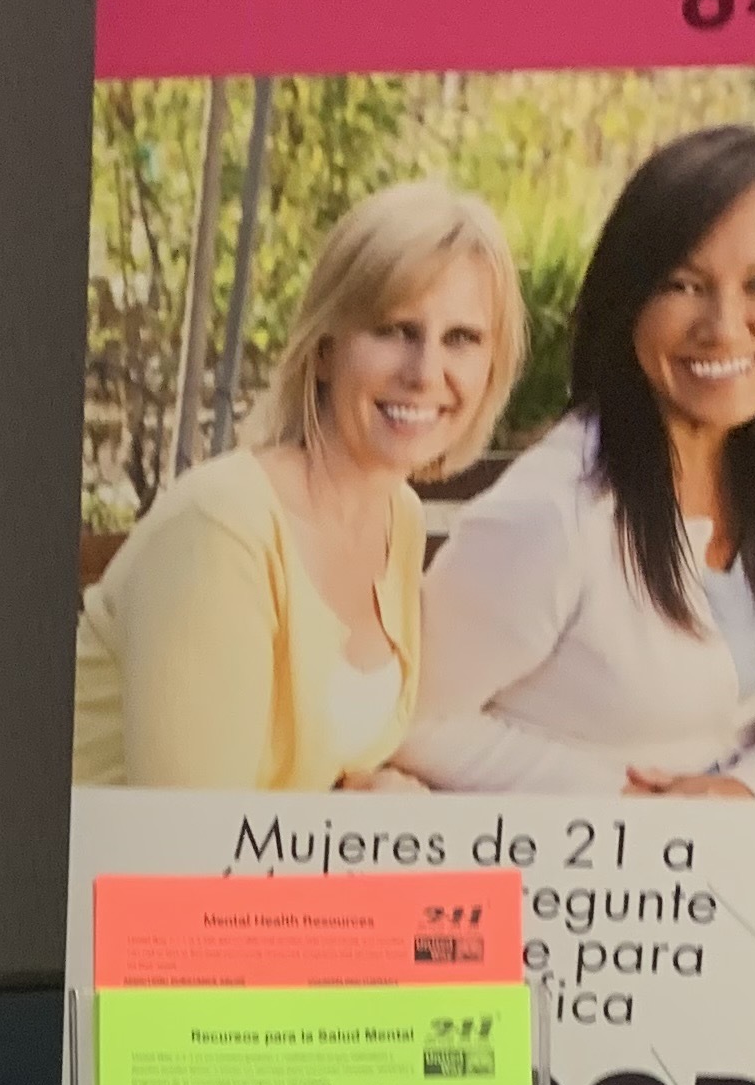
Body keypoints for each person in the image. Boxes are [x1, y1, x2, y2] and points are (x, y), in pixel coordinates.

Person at [359, 126, 755, 801]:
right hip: (559, 881)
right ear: (629, 301)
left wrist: (750, 788)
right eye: (683, 284)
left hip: (712, 879)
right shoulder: (556, 512)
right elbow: (408, 720)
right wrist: (616, 799)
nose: (725, 326)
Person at [72, 183, 525, 791]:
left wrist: (371, 786)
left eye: (461, 339)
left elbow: (317, 760)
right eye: (395, 330)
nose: (425, 374)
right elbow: (186, 853)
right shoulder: (222, 530)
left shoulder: (400, 516)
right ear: (325, 350)